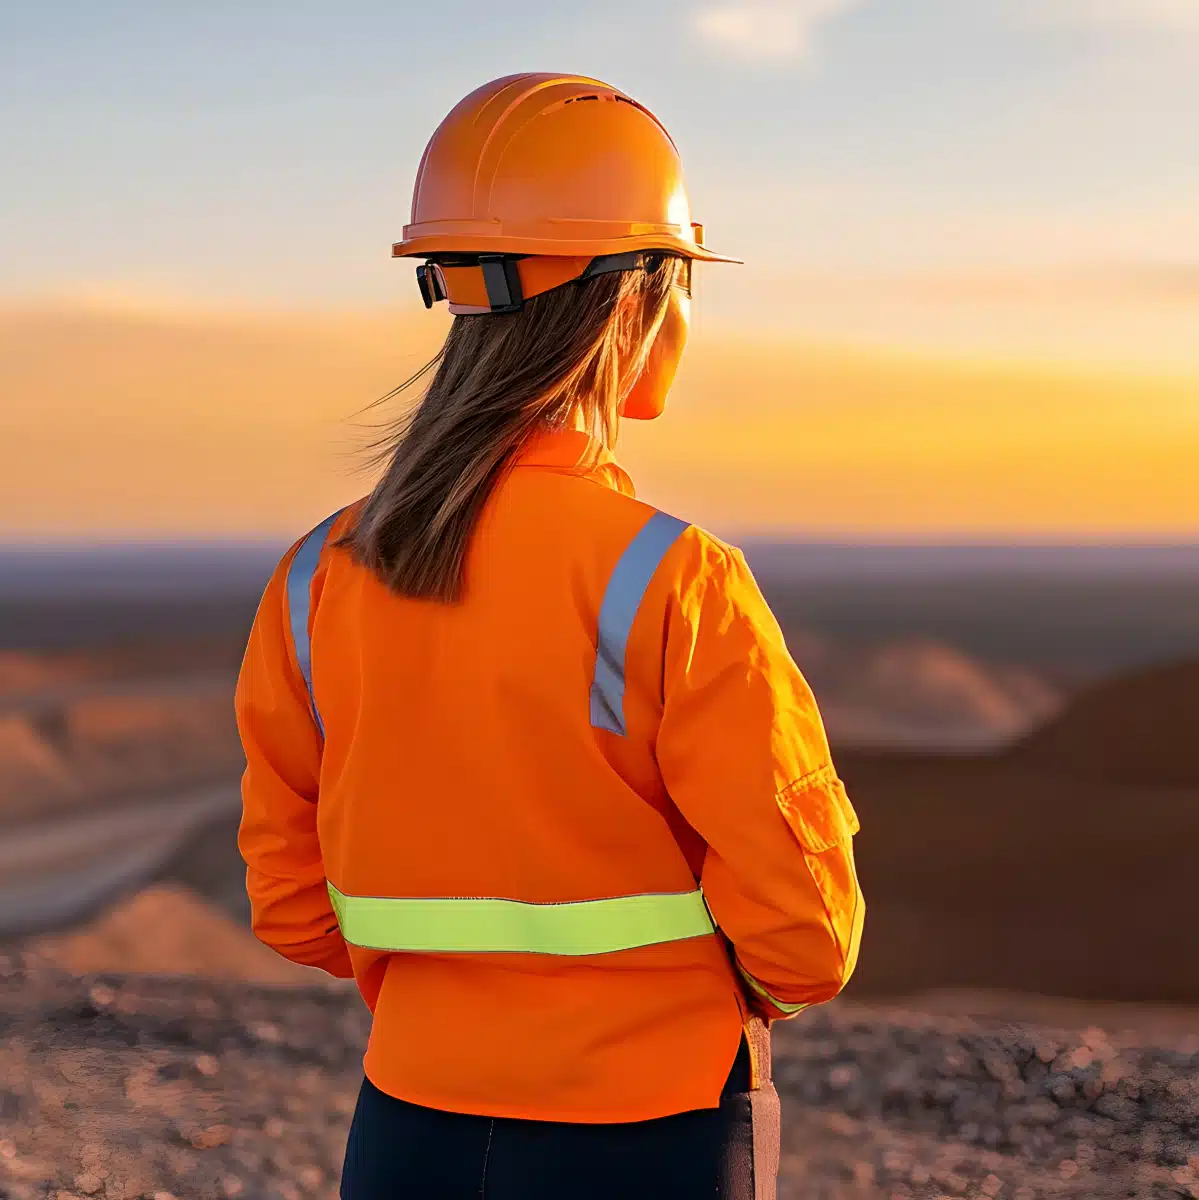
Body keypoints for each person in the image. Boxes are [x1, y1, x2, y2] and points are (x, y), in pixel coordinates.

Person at [235, 73, 864, 1199]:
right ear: (642, 298)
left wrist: (452, 998)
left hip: (409, 1124)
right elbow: (806, 938)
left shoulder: (317, 577)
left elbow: (291, 903)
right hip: (652, 1128)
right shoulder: (674, 580)